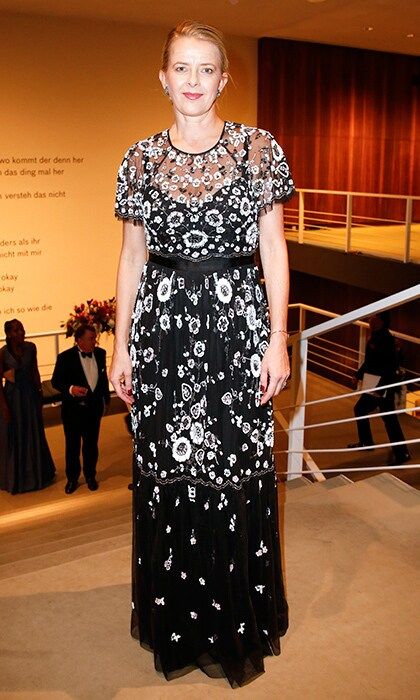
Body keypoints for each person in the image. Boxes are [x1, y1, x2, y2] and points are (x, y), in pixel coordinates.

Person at [110, 21, 294, 688]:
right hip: (162, 333)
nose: (193, 81)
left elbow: (273, 249)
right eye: (181, 68)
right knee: (167, 468)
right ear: (163, 76)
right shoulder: (137, 159)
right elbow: (132, 257)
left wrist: (276, 339)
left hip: (236, 330)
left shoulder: (257, 149)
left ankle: (235, 620)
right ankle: (177, 619)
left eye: (205, 69)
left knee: (233, 468)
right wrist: (121, 344)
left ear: (224, 78)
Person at [51, 324, 110, 493]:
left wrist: (105, 400)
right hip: (73, 410)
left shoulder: (100, 354)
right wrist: (71, 389)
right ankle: (72, 479)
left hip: (94, 408)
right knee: (72, 445)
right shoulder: (65, 357)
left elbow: (103, 378)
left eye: (95, 338)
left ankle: (91, 476)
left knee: (91, 445)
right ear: (79, 340)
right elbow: (56, 381)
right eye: (91, 338)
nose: (95, 341)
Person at [0, 319, 55, 494]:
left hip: (30, 396)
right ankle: (17, 479)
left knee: (33, 432)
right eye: (16, 330)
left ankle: (38, 475)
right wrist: (5, 408)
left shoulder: (31, 347)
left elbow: (34, 371)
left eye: (22, 329)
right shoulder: (2, 353)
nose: (21, 333)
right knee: (16, 436)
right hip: (12, 398)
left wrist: (39, 394)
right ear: (8, 334)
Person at [348, 311, 410, 466]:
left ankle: (402, 453)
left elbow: (390, 366)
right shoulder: (376, 336)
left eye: (374, 317)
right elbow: (370, 361)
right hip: (373, 382)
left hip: (382, 384)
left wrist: (381, 389)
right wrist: (358, 375)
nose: (370, 319)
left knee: (385, 417)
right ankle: (369, 442)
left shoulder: (386, 339)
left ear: (381, 321)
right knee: (370, 412)